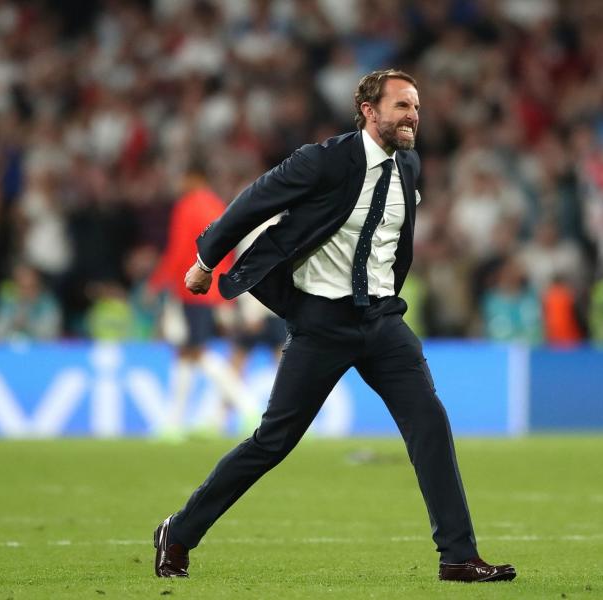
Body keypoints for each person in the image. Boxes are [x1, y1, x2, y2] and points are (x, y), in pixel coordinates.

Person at [153, 69, 516, 583]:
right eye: (401, 107)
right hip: (322, 321)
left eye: (416, 107)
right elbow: (255, 200)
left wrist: (384, 296)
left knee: (429, 424)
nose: (413, 116)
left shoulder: (409, 166)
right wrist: (207, 260)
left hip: (382, 321)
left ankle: (457, 556)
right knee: (272, 442)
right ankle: (180, 531)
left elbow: (395, 243)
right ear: (369, 111)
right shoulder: (323, 160)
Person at [148, 159, 247, 440]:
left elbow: (179, 250)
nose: (179, 185)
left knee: (195, 351)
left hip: (191, 287)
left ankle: (246, 406)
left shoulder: (188, 205)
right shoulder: (217, 205)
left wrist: (158, 282)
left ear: (193, 177)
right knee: (188, 352)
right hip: (215, 287)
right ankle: (174, 422)